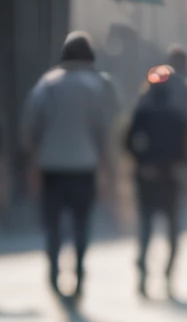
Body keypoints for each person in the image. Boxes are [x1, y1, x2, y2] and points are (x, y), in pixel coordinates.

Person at [21, 31, 117, 303]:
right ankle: (78, 276)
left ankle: (53, 273)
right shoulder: (95, 85)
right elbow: (104, 130)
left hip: (51, 167)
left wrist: (33, 160)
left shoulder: (47, 84)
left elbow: (30, 127)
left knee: (52, 224)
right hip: (84, 167)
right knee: (81, 224)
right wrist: (109, 170)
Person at [127, 48, 187, 295]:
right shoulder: (179, 113)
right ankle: (167, 276)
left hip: (147, 177)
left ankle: (144, 275)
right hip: (171, 177)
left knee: (146, 228)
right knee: (172, 229)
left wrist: (141, 162)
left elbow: (127, 141)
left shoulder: (142, 111)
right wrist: (181, 166)